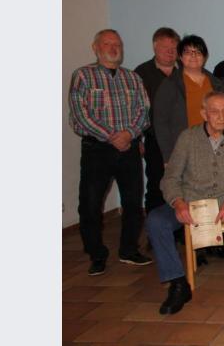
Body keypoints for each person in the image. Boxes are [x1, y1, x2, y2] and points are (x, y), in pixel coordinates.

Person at [145, 92, 224, 315]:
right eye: (214, 111)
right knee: (156, 220)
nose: (221, 116)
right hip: (191, 203)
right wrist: (178, 202)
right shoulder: (187, 138)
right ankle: (178, 283)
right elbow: (170, 177)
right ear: (203, 114)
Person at [69, 29, 152, 276]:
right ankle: (97, 254)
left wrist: (128, 134)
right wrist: (111, 136)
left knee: (133, 202)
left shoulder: (133, 78)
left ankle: (128, 250)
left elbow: (144, 111)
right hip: (98, 150)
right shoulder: (83, 76)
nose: (113, 47)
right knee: (91, 204)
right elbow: (80, 115)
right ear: (96, 47)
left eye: (117, 43)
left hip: (128, 148)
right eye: (107, 43)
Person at [153, 34, 224, 162]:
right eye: (188, 52)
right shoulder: (170, 84)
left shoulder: (216, 83)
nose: (193, 56)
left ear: (205, 56)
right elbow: (160, 122)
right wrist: (168, 157)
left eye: (198, 52)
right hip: (184, 149)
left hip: (215, 146)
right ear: (180, 56)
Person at [135, 27, 180, 214]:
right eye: (164, 47)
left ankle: (182, 233)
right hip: (155, 140)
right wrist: (137, 139)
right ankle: (155, 235)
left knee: (185, 184)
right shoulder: (141, 73)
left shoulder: (187, 70)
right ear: (155, 47)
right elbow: (134, 109)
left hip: (184, 138)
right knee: (157, 183)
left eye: (174, 47)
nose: (170, 52)